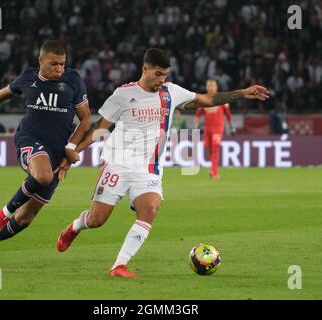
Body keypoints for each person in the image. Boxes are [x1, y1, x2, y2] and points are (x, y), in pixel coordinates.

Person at [56, 48, 269, 278]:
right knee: (97, 220)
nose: (162, 80)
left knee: (151, 209)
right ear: (144, 68)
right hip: (118, 163)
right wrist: (71, 154)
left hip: (149, 169)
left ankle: (119, 265)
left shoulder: (171, 92)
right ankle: (75, 227)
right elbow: (100, 128)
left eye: (165, 74)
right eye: (158, 74)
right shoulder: (123, 94)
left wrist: (242, 93)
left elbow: (206, 99)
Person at [0, 40, 90, 271]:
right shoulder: (27, 78)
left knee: (24, 220)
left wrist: (70, 148)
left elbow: (86, 120)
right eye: (54, 64)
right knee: (42, 176)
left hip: (57, 149)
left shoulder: (72, 80)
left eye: (62, 64)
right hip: (29, 140)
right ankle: (3, 213)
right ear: (40, 60)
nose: (59, 70)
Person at [194, 79, 235, 180]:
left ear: (216, 87)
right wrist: (196, 125)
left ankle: (213, 171)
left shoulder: (222, 99)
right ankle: (214, 171)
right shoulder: (203, 99)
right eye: (209, 85)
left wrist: (231, 126)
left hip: (218, 128)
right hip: (207, 129)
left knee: (215, 148)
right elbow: (198, 114)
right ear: (207, 87)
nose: (211, 87)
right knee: (210, 150)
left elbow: (228, 114)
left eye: (213, 85)